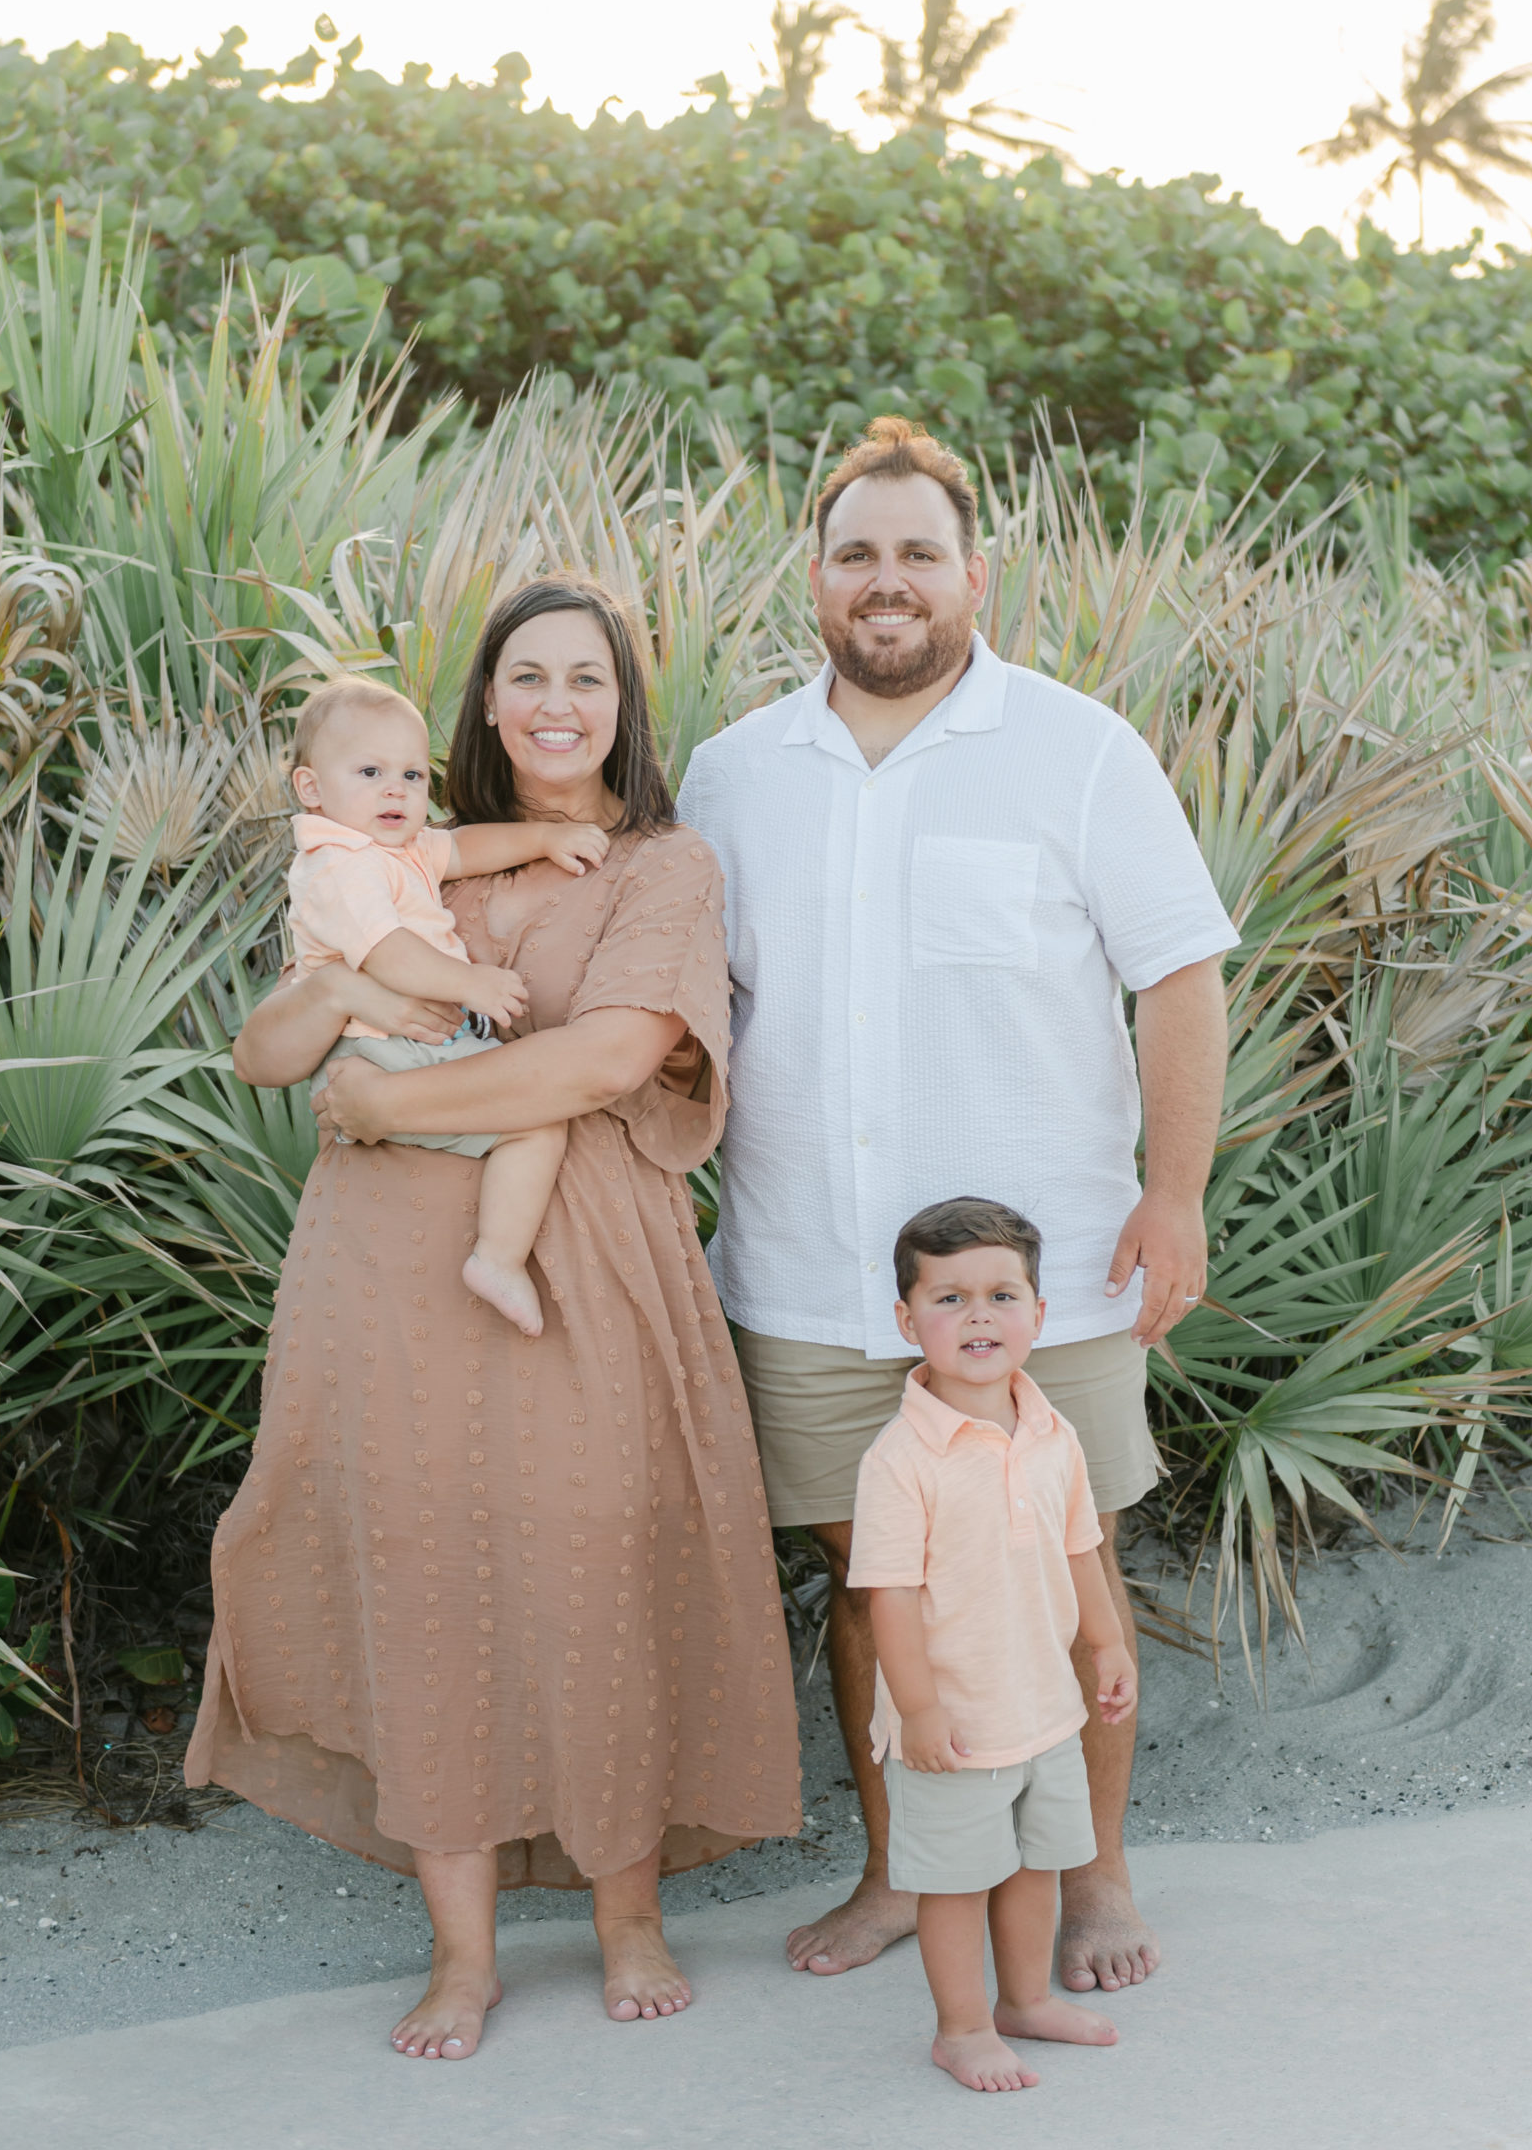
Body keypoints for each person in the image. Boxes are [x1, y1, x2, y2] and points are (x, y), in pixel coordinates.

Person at [186, 575, 801, 2057]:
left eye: (584, 679)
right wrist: (331, 1019)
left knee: (599, 1567)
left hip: (581, 1266)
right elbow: (269, 1048)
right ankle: (461, 1957)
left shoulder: (665, 866)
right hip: (384, 1279)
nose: (553, 706)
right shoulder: (399, 853)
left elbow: (600, 1063)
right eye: (525, 676)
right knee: (424, 1583)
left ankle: (626, 1914)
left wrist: (391, 1094)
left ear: (622, 705)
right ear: (483, 699)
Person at [677, 417, 1237, 1993]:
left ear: (973, 572)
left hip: (1033, 1277)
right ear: (815, 575)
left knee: (1061, 1571)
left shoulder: (1076, 750)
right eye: (857, 552)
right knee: (878, 1597)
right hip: (805, 1274)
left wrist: (1175, 1193)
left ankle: (1096, 1879)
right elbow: (689, 1016)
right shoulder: (734, 773)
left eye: (920, 552)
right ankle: (900, 1874)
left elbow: (1180, 975)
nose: (888, 581)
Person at [850, 1197, 1136, 2092]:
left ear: (1038, 1316)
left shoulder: (1052, 1432)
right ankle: (962, 2027)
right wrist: (921, 1707)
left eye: (1002, 1296)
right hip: (957, 1723)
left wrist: (1107, 1645)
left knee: (1035, 1868)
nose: (979, 1316)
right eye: (949, 1299)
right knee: (956, 1884)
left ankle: (1023, 2002)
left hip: (1044, 1708)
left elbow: (1079, 1548)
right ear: (907, 1320)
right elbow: (887, 1596)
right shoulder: (901, 1459)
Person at [286, 675, 609, 1335]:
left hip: (405, 1044)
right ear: (311, 789)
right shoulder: (336, 867)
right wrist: (472, 985)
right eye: (370, 771)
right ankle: (496, 1258)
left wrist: (544, 839)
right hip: (378, 1045)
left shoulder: (393, 852)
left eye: (410, 773)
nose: (395, 789)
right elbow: (387, 951)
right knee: (536, 1123)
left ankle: (490, 1253)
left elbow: (463, 848)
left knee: (524, 1115)